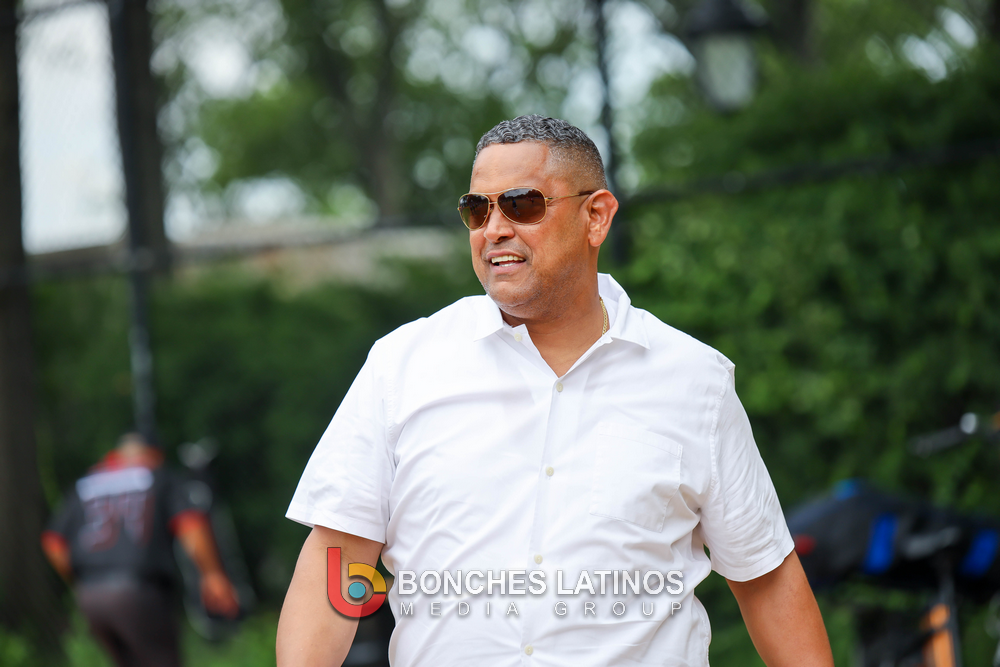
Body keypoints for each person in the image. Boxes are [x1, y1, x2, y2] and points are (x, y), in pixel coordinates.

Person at [277, 115, 834, 666]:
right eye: (477, 210)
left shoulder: (695, 380)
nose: (494, 229)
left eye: (521, 205)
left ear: (597, 216)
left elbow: (764, 575)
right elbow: (338, 557)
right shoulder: (402, 364)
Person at [42, 432, 239, 667]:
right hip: (140, 593)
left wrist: (81, 582)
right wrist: (212, 574)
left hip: (91, 597)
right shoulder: (159, 477)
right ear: (153, 455)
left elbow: (53, 542)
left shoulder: (86, 484)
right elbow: (191, 526)